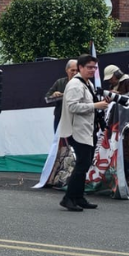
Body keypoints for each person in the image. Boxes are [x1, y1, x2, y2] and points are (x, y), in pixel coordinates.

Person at [58, 54, 110, 211]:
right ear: (80, 67)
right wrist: (95, 106)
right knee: (82, 164)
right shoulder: (75, 85)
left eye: (94, 67)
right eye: (89, 67)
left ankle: (78, 197)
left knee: (84, 165)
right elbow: (72, 107)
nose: (92, 70)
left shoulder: (87, 83)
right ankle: (69, 198)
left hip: (87, 130)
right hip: (77, 130)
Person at [45, 59, 78, 132]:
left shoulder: (83, 83)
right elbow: (47, 97)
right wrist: (54, 95)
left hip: (77, 119)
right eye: (72, 70)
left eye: (77, 70)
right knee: (59, 141)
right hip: (60, 118)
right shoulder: (60, 82)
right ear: (67, 70)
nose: (75, 73)